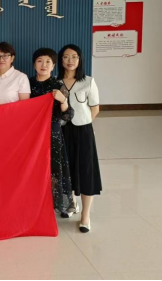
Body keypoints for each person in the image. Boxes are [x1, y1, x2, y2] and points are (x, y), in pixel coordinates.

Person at [58, 44, 102, 233]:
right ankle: (71, 204)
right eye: (66, 57)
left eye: (74, 57)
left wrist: (84, 124)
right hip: (62, 131)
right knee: (66, 169)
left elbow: (95, 108)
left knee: (86, 171)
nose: (70, 60)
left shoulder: (88, 81)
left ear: (80, 59)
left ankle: (85, 216)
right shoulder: (56, 82)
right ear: (61, 60)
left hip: (83, 131)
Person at [29, 48, 74, 218]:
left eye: (48, 62)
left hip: (52, 134)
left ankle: (56, 205)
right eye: (40, 61)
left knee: (54, 171)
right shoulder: (27, 84)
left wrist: (63, 100)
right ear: (34, 64)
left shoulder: (58, 85)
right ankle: (35, 205)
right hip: (32, 135)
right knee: (34, 170)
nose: (44, 65)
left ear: (54, 65)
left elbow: (68, 115)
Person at [0, 42, 30, 106]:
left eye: (5, 56)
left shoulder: (21, 77)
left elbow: (24, 105)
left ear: (12, 58)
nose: (1, 59)